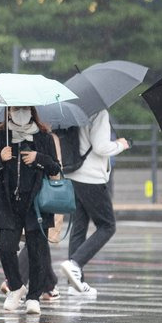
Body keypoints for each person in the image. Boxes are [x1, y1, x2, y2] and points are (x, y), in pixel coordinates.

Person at [0, 106, 60, 315]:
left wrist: (39, 158)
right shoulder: (2, 136)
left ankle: (34, 296)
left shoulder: (43, 136)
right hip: (9, 203)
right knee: (6, 248)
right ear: (8, 112)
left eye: (24, 108)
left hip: (36, 203)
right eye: (16, 109)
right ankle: (17, 287)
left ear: (31, 110)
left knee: (37, 250)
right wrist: (1, 158)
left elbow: (56, 168)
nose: (20, 112)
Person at [61, 109, 129, 296]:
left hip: (75, 174)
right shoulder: (99, 112)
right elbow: (101, 147)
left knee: (79, 226)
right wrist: (120, 145)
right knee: (107, 225)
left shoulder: (76, 110)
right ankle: (75, 264)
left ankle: (75, 283)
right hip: (92, 177)